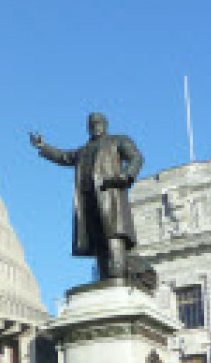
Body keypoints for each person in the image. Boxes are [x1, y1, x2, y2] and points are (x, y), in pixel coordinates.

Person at [29, 113, 144, 279]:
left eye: (98, 123)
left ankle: (117, 274)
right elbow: (64, 157)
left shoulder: (118, 140)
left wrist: (125, 176)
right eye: (92, 124)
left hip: (109, 195)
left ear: (105, 125)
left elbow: (136, 157)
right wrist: (43, 147)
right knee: (97, 238)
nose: (95, 126)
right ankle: (105, 277)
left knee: (113, 234)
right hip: (88, 198)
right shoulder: (83, 150)